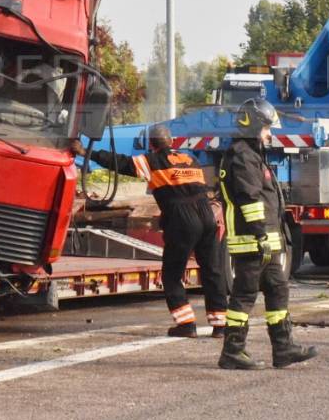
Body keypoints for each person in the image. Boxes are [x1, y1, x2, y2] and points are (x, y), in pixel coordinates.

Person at [71, 125, 228, 338]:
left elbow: (120, 163)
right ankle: (220, 325)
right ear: (171, 142)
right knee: (212, 270)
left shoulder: (152, 161)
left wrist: (84, 153)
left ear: (152, 145)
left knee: (172, 273)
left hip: (183, 221)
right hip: (207, 216)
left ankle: (186, 324)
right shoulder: (191, 160)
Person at [218, 98, 317, 370]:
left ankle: (283, 348)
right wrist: (260, 234)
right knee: (244, 295)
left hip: (266, 243)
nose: (269, 134)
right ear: (253, 126)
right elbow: (249, 200)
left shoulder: (253, 155)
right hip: (252, 241)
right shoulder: (241, 156)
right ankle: (232, 351)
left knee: (277, 289)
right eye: (266, 128)